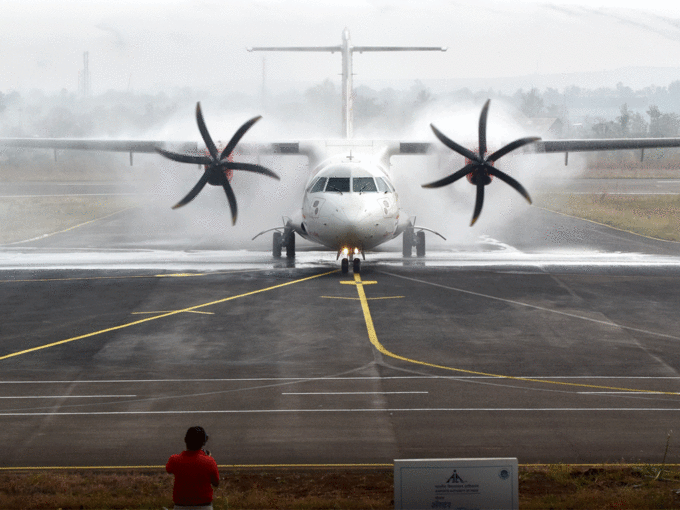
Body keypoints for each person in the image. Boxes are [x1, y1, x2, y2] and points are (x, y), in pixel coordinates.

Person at [166, 426, 220, 510]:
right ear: (203, 443)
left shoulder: (174, 460)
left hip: (181, 506)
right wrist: (206, 457)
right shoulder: (209, 461)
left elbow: (169, 469)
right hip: (204, 506)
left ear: (185, 440)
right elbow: (216, 483)